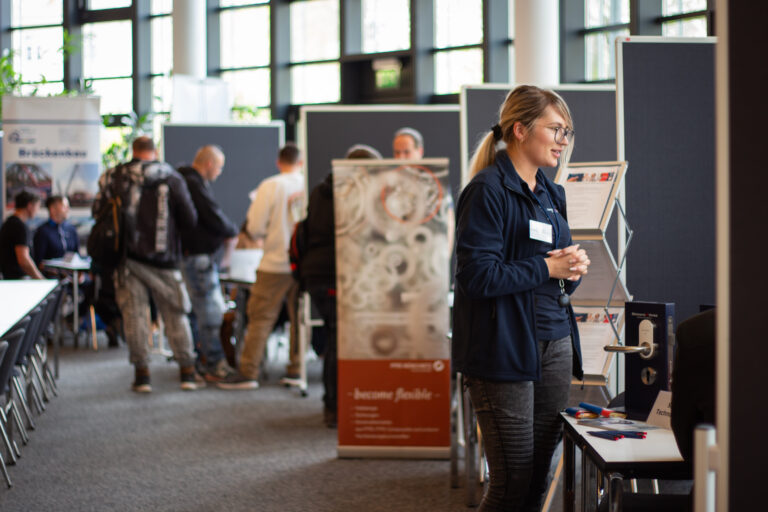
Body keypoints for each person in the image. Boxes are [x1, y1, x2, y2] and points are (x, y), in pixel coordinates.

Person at [452, 85, 591, 511]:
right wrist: (547, 267)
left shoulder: (551, 194)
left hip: (555, 342)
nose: (562, 141)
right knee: (511, 484)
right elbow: (477, 277)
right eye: (555, 129)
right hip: (504, 349)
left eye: (566, 132)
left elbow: (553, 279)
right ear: (519, 129)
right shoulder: (487, 190)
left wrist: (570, 270)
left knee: (537, 479)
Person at [92, 136, 201, 393]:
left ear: (134, 150)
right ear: (155, 151)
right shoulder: (171, 178)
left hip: (126, 258)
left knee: (134, 315)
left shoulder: (113, 177)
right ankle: (187, 371)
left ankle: (142, 375)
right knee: (175, 312)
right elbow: (189, 219)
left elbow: (97, 212)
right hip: (164, 259)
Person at [300, 144, 382, 427]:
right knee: (340, 341)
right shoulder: (352, 193)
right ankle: (334, 406)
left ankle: (336, 404)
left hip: (315, 274)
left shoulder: (320, 190)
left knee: (336, 338)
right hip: (337, 273)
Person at [219, 143, 306, 389]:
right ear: (300, 163)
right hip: (301, 264)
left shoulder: (270, 186)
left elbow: (255, 227)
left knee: (260, 318)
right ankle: (297, 370)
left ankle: (248, 372)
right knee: (300, 318)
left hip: (274, 262)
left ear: (279, 162)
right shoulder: (307, 183)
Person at [178, 145, 240, 383]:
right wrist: (232, 232)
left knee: (196, 312)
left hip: (189, 256)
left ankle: (198, 363)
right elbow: (212, 216)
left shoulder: (183, 181)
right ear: (210, 164)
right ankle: (214, 364)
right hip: (198, 257)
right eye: (220, 167)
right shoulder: (193, 184)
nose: (219, 172)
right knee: (209, 312)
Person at [0, 190, 44, 280]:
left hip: (7, 278)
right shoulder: (21, 227)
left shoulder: (8, 223)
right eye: (37, 206)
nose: (37, 211)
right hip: (19, 280)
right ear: (30, 206)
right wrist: (40, 279)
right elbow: (24, 260)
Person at [32, 195, 80, 265]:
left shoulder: (71, 229)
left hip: (72, 270)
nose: (68, 210)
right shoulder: (42, 231)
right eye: (64, 207)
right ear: (52, 209)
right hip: (50, 271)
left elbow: (77, 255)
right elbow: (38, 260)